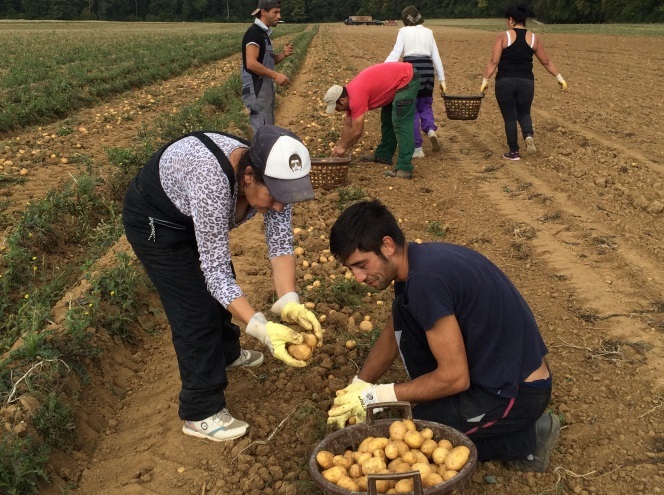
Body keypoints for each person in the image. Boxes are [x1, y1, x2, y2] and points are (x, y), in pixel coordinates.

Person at [122, 125, 323, 442]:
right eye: (275, 198)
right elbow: (214, 271)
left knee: (220, 292)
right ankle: (200, 410)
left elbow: (281, 244)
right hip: (156, 222)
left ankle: (227, 353)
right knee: (195, 309)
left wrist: (289, 300)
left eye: (288, 197)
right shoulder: (212, 179)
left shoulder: (276, 180)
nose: (281, 207)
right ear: (248, 177)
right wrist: (259, 326)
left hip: (194, 212)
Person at [326, 199, 560, 472]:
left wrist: (375, 396)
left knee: (414, 441)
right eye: (351, 268)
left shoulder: (426, 282)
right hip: (494, 375)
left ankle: (528, 439)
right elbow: (393, 330)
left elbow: (455, 377)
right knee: (402, 316)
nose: (357, 276)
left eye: (361, 264)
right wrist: (359, 385)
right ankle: (477, 416)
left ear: (387, 246)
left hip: (516, 393)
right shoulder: (416, 265)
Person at [480, 4, 567, 161]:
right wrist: (559, 78)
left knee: (510, 117)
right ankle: (528, 135)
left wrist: (485, 80)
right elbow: (546, 61)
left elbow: (494, 61)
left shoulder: (503, 37)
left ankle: (513, 152)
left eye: (508, 20)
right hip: (526, 81)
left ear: (511, 20)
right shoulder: (533, 38)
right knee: (524, 112)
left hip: (505, 81)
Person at [323, 63, 420, 179]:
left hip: (406, 79)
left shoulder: (356, 96)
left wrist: (343, 148)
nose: (337, 111)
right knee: (387, 118)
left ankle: (405, 168)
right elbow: (348, 125)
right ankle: (384, 155)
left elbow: (357, 130)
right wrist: (340, 146)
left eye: (336, 107)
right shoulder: (349, 96)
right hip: (395, 83)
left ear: (342, 101)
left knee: (401, 122)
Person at [385, 5, 447, 159]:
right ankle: (430, 129)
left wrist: (383, 69)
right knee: (425, 104)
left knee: (410, 109)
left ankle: (417, 148)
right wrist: (442, 79)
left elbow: (396, 52)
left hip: (410, 71)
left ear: (405, 20)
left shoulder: (403, 32)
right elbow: (436, 57)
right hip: (427, 70)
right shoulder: (429, 32)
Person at [241, 0, 293, 131]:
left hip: (264, 91)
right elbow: (251, 64)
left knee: (267, 128)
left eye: (279, 12)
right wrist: (275, 75)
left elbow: (269, 61)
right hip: (256, 90)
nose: (279, 16)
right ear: (263, 12)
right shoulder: (254, 33)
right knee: (262, 131)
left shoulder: (263, 34)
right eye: (275, 12)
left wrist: (284, 54)